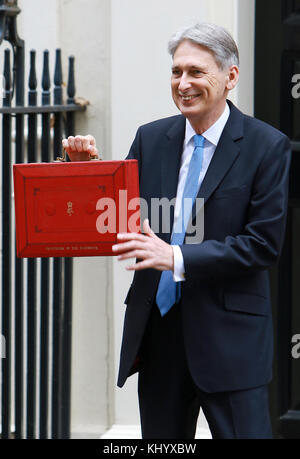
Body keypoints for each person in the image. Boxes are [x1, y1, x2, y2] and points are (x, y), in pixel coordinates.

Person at [63, 23, 291, 439]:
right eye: (176, 72)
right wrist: (86, 172)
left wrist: (177, 257)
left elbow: (262, 245)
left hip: (231, 342)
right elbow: (117, 219)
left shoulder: (266, 146)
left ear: (230, 78)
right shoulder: (151, 139)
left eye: (196, 72)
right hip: (158, 336)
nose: (183, 83)